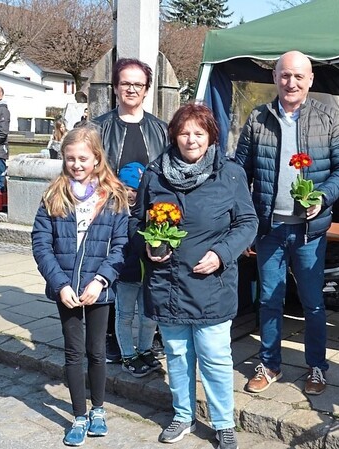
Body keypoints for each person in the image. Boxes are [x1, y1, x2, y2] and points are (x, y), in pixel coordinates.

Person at [130, 103, 257, 448]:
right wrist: (149, 245)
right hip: (167, 283)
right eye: (184, 132)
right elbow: (137, 221)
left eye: (198, 133)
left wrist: (221, 254)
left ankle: (222, 421)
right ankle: (182, 415)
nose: (191, 139)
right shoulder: (155, 173)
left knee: (215, 355)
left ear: (210, 136)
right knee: (177, 353)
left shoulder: (230, 174)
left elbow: (248, 222)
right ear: (174, 135)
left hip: (210, 284)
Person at [235, 50, 339, 396]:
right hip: (270, 228)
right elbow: (239, 174)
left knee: (313, 302)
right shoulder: (258, 118)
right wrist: (244, 222)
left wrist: (322, 196)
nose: (291, 82)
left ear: (310, 80)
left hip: (309, 232)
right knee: (270, 300)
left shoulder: (328, 118)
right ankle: (269, 363)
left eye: (299, 76)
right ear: (275, 78)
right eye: (285, 75)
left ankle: (316, 366)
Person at [31, 125, 130, 446]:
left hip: (98, 288)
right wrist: (59, 284)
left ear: (97, 159)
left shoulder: (113, 198)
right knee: (74, 353)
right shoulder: (53, 195)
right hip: (67, 289)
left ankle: (98, 409)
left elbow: (121, 246)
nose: (76, 164)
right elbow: (41, 244)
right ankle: (78, 414)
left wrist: (102, 280)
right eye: (70, 158)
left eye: (83, 158)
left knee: (97, 351)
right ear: (63, 159)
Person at [94, 58, 168, 364]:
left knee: (152, 273)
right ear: (115, 87)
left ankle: (153, 335)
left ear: (147, 89)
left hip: (150, 216)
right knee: (112, 274)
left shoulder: (161, 130)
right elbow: (87, 172)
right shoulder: (98, 128)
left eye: (138, 84)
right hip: (110, 213)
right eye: (126, 83)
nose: (131, 89)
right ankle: (110, 336)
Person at [115, 161, 161, 378]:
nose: (132, 194)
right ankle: (127, 355)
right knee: (124, 316)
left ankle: (145, 349)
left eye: (136, 189)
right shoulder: (114, 212)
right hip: (126, 273)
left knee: (148, 316)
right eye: (128, 189)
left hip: (147, 273)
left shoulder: (149, 211)